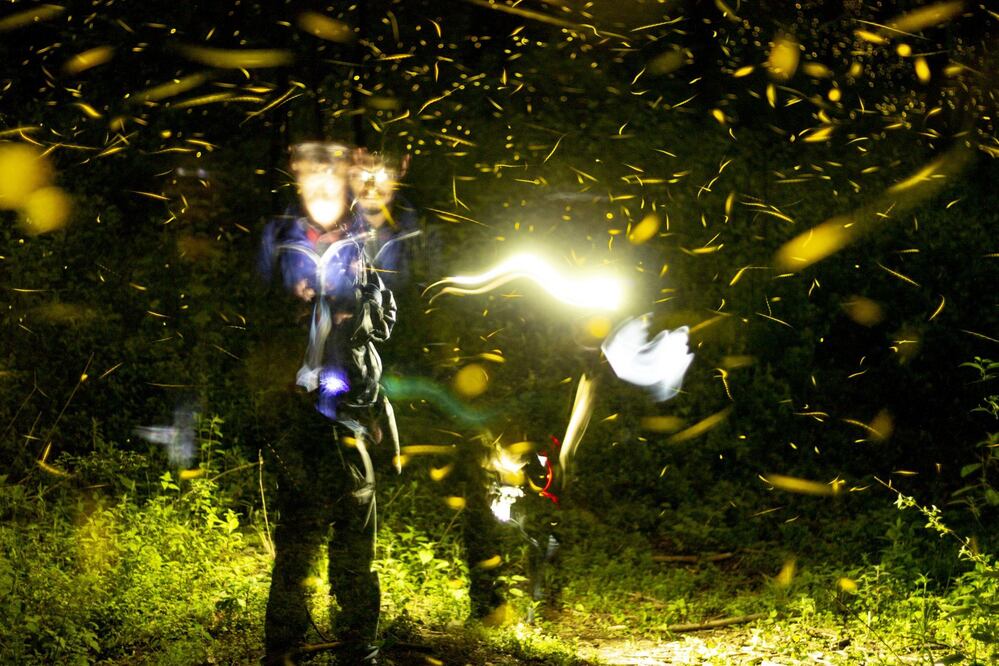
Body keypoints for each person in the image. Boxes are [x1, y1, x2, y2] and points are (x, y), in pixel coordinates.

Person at [256, 141, 398, 665]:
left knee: (355, 531)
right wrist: (291, 308)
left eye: (332, 181)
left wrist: (352, 307)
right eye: (310, 181)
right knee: (297, 536)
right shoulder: (279, 242)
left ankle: (359, 646)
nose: (323, 191)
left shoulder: (365, 246)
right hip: (297, 411)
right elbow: (251, 319)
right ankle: (284, 647)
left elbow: (384, 323)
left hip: (350, 408)